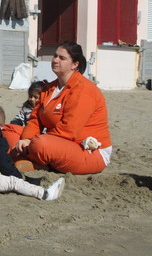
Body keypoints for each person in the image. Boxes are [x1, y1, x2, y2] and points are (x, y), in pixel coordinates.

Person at [15, 41, 112, 174]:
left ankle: (35, 161)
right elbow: (35, 120)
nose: (55, 60)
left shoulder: (84, 89)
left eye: (62, 58)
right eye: (55, 56)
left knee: (40, 144)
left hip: (87, 151)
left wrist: (32, 143)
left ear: (75, 64)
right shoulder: (47, 88)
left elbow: (69, 130)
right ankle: (35, 161)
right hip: (55, 142)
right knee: (9, 132)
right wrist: (26, 139)